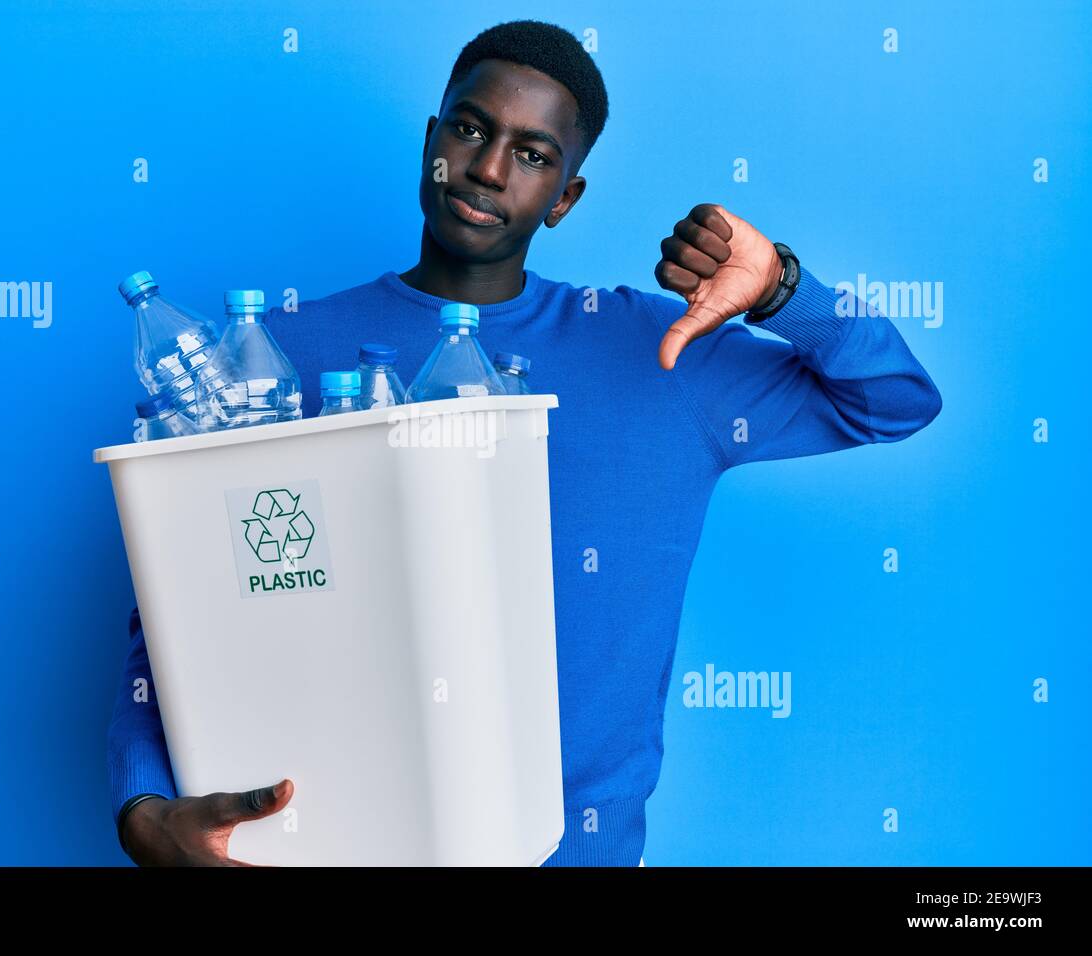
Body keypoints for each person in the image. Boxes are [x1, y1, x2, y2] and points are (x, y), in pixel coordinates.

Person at [108, 19, 942, 867]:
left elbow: (894, 401)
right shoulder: (275, 356)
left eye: (535, 154)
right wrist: (142, 811)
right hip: (319, 847)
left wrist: (779, 289)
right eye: (470, 130)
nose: (490, 169)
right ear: (432, 143)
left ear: (566, 197)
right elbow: (177, 620)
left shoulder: (668, 354)